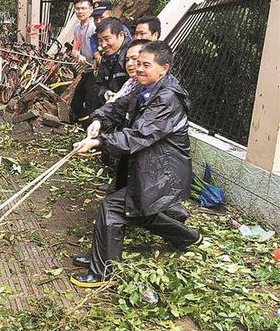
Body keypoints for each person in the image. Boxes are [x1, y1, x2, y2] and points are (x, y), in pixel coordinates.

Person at [70, 41, 201, 288]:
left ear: (164, 68)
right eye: (137, 63)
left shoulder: (167, 98)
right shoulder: (145, 88)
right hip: (144, 163)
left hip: (162, 170)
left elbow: (140, 135)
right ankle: (188, 237)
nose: (137, 68)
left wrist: (99, 142)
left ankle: (104, 271)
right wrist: (100, 119)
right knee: (139, 210)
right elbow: (118, 107)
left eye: (145, 65)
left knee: (114, 208)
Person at [69, 0, 97, 123]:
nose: (80, 11)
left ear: (91, 9)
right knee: (76, 103)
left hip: (96, 69)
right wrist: (78, 55)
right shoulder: (77, 28)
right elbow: (74, 50)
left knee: (91, 102)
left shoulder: (94, 27)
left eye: (84, 8)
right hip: (87, 69)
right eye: (77, 8)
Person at [93, 17, 130, 109]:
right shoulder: (105, 58)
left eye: (107, 39)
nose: (103, 44)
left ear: (121, 35)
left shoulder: (131, 56)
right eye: (100, 40)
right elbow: (99, 84)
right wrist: (105, 93)